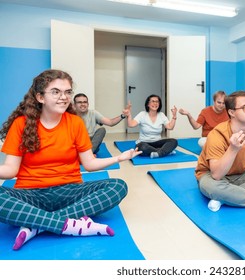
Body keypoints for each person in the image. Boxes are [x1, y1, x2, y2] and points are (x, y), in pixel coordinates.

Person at [0, 69, 142, 250]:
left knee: (118, 186)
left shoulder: (75, 123)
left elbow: (89, 164)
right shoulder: (21, 124)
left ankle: (35, 225)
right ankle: (67, 223)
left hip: (69, 191)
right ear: (40, 97)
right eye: (56, 92)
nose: (64, 97)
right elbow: (10, 170)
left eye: (68, 92)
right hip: (30, 194)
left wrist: (119, 158)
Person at [126, 94, 178, 158]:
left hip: (157, 143)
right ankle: (164, 152)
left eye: (157, 101)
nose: (155, 103)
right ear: (148, 104)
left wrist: (174, 116)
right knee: (142, 147)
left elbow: (170, 127)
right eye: (153, 101)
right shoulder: (142, 114)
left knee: (174, 141)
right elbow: (131, 124)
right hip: (144, 143)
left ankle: (158, 153)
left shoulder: (161, 115)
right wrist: (128, 114)